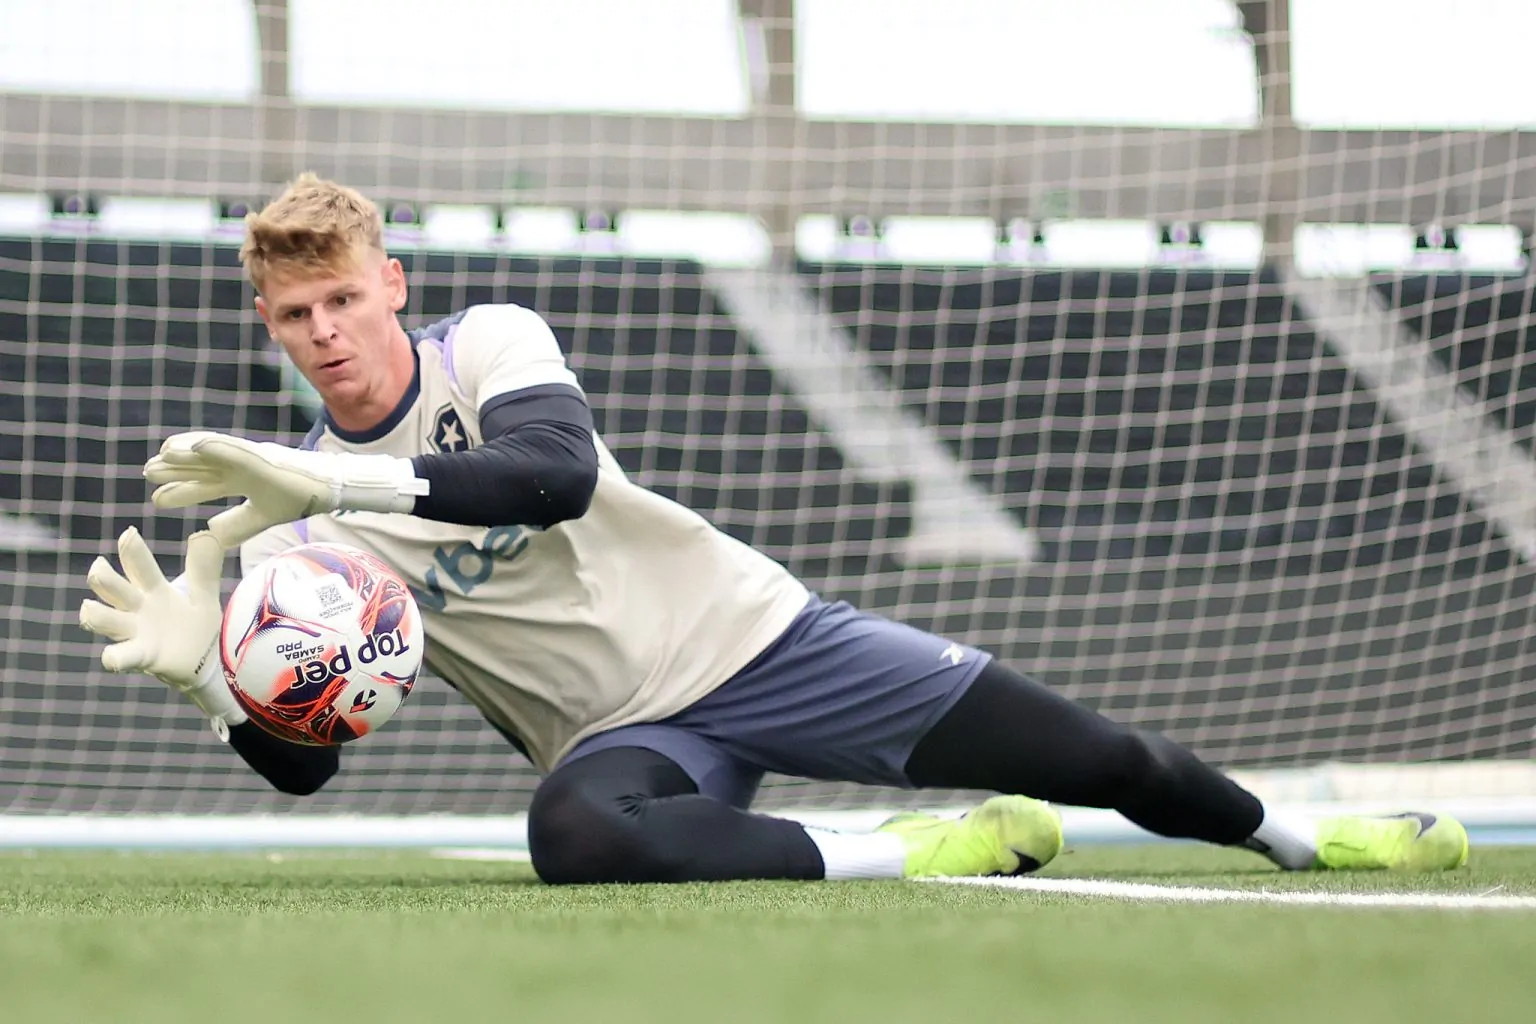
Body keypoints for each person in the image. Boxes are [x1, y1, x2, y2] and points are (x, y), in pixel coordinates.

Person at [79, 174, 1468, 883]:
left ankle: (1308, 839)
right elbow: (309, 768)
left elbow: (552, 477)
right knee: (576, 835)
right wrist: (214, 679)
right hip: (625, 739)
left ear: (390, 283)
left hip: (761, 639)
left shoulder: (484, 344)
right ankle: (922, 853)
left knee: (1101, 757)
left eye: (343, 299)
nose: (325, 330)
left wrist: (338, 489)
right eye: (296, 314)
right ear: (270, 323)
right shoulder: (283, 529)